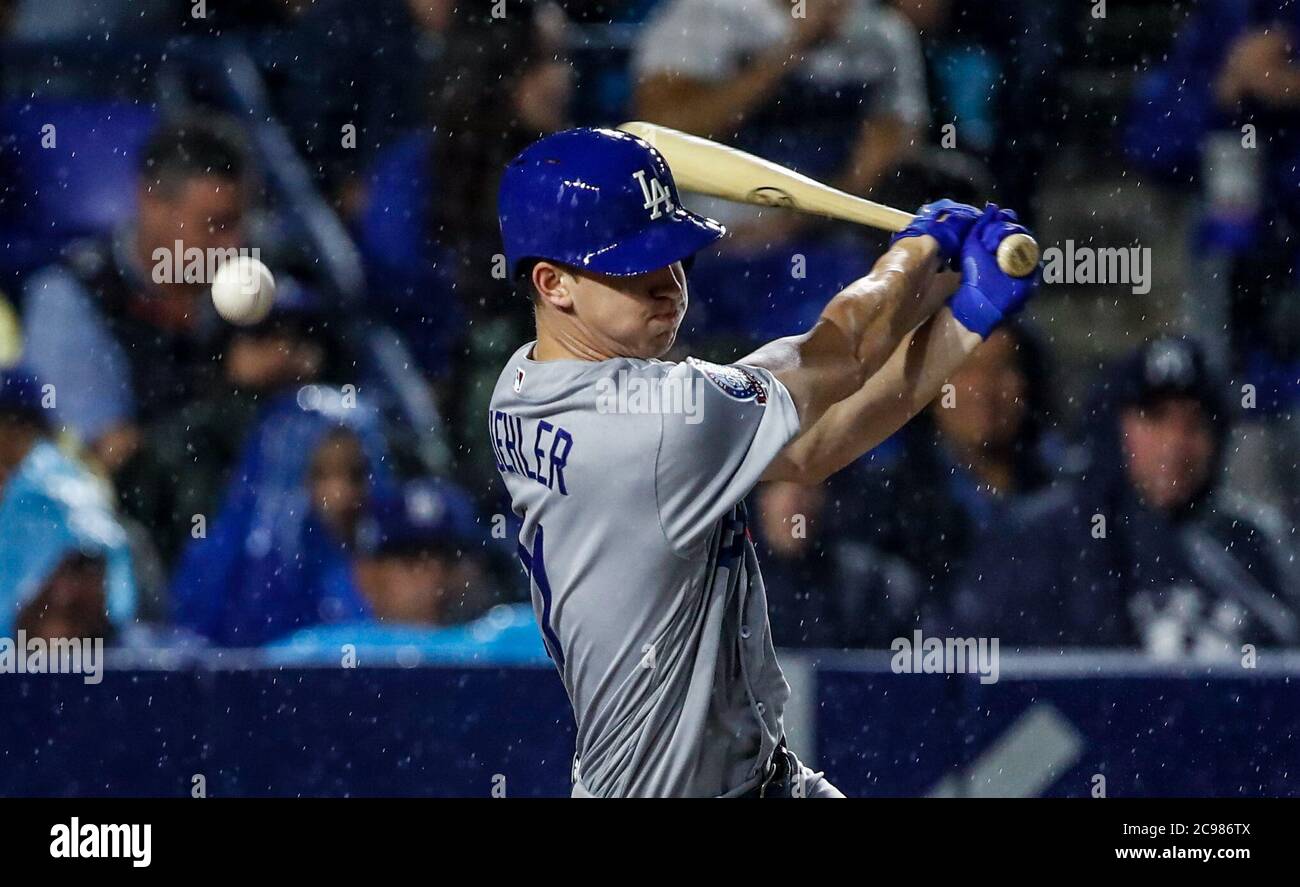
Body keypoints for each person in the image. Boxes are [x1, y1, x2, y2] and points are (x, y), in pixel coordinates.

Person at [489, 127, 1038, 797]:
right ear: (553, 284)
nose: (667, 285)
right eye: (633, 266)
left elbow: (808, 450)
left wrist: (962, 312)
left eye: (673, 257)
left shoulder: (522, 387)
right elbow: (833, 355)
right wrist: (919, 250)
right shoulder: (653, 424)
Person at [951, 336, 1300, 657]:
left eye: (1195, 422)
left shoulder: (1253, 542)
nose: (1175, 444)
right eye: (1154, 418)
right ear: (1115, 426)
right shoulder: (1042, 538)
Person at [21, 118, 249, 476]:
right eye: (215, 225)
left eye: (239, 224)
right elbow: (108, 465)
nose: (232, 246)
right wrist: (229, 390)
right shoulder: (71, 297)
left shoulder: (258, 289)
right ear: (153, 203)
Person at [169, 386, 394, 647]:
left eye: (357, 474)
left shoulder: (396, 557)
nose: (340, 494)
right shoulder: (223, 566)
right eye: (320, 474)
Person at [0, 368, 137, 642]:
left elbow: (15, 601)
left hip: (54, 660)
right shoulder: (45, 476)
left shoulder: (42, 489)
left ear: (12, 427)